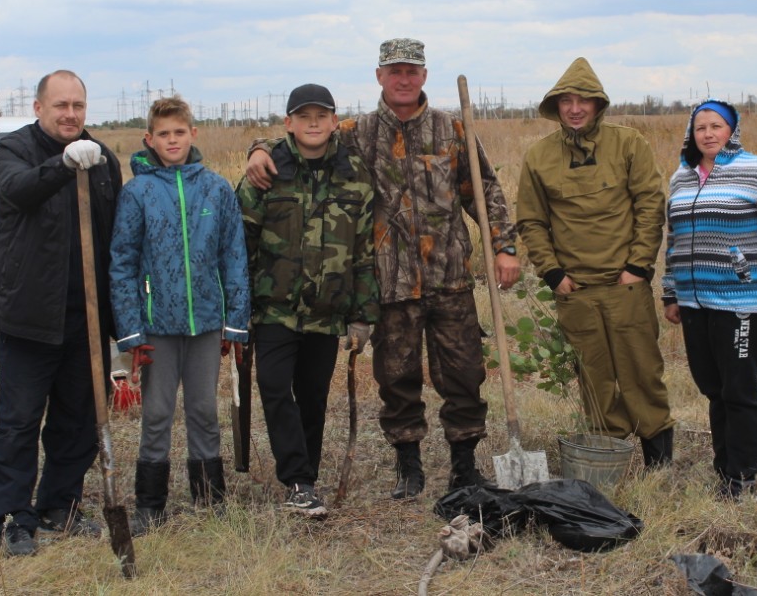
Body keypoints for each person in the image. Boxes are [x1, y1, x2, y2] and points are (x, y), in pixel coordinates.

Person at [246, 39, 520, 499]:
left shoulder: (452, 130)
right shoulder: (355, 133)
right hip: (390, 283)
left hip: (449, 278)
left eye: (412, 71)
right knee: (397, 378)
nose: (403, 79)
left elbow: (484, 190)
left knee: (464, 373)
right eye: (394, 71)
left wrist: (504, 247)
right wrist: (259, 148)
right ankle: (408, 468)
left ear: (424, 76)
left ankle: (464, 466)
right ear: (379, 77)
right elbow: (302, 141)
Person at [0, 70, 122, 557]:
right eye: (61, 105)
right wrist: (62, 166)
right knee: (19, 421)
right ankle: (13, 518)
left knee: (79, 419)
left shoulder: (102, 159)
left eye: (78, 106)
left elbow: (112, 240)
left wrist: (117, 323)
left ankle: (58, 506)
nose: (70, 115)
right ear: (39, 107)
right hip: (29, 317)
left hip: (85, 319)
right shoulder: (12, 152)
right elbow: (19, 190)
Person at [516, 57, 675, 467]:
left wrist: (637, 268)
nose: (574, 108)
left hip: (625, 286)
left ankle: (658, 463)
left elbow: (649, 204)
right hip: (576, 292)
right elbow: (532, 220)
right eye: (566, 100)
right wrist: (553, 275)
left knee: (642, 372)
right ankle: (610, 461)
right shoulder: (539, 157)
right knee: (595, 380)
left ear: (597, 104)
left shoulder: (628, 144)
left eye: (583, 100)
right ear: (555, 106)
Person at [235, 84, 378, 519]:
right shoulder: (265, 170)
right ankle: (297, 478)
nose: (313, 123)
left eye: (322, 115)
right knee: (275, 389)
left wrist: (362, 316)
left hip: (327, 311)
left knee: (313, 396)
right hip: (274, 308)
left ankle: (307, 479)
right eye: (304, 116)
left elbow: (364, 251)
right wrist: (238, 313)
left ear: (335, 122)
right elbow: (240, 244)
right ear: (289, 123)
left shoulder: (355, 172)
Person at [109, 97, 250, 534]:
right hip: (157, 327)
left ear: (193, 134)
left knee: (205, 410)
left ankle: (210, 499)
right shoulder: (137, 192)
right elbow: (123, 262)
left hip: (207, 323)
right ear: (150, 139)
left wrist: (235, 322)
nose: (173, 140)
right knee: (157, 412)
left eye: (180, 132)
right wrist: (131, 331)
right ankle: (150, 504)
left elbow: (234, 257)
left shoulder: (216, 189)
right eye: (164, 134)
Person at [662, 99, 757, 500]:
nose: (708, 133)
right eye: (700, 127)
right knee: (713, 388)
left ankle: (742, 478)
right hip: (693, 303)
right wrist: (670, 292)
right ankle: (724, 470)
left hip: (743, 301)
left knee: (739, 390)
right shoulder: (681, 178)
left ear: (732, 131)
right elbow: (674, 242)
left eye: (716, 126)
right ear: (692, 132)